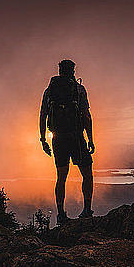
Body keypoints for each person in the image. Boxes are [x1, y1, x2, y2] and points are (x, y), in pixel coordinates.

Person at [39, 59, 95, 225]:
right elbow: (86, 116)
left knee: (61, 177)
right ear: (73, 71)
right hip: (76, 137)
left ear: (59, 71)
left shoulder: (49, 92)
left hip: (57, 139)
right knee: (87, 173)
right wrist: (90, 139)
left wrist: (43, 139)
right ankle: (86, 209)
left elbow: (43, 116)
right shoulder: (79, 89)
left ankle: (61, 213)